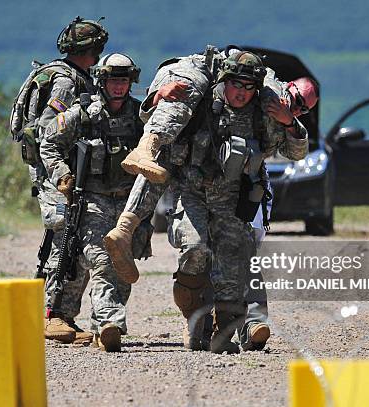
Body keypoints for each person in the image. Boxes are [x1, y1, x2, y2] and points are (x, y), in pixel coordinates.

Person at [104, 50, 318, 352]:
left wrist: (289, 122)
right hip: (192, 190)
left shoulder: (265, 111)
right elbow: (154, 114)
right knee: (195, 252)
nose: (241, 93)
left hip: (232, 197)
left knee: (232, 270)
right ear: (224, 80)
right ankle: (194, 323)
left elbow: (297, 153)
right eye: (236, 84)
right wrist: (157, 98)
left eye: (248, 87)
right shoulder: (201, 98)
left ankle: (223, 333)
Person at [40, 53, 144, 352]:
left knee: (124, 267)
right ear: (102, 81)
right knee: (102, 258)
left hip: (127, 204)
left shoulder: (139, 117)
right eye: (113, 80)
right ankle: (108, 323)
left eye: (123, 81)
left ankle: (103, 327)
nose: (119, 87)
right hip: (93, 201)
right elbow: (49, 143)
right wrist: (62, 176)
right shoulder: (82, 114)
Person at [18, 17, 108, 345]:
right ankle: (51, 315)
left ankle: (63, 314)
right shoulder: (67, 82)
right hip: (56, 170)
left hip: (65, 169)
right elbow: (47, 130)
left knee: (72, 235)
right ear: (90, 50)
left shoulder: (67, 73)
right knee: (64, 234)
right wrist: (62, 173)